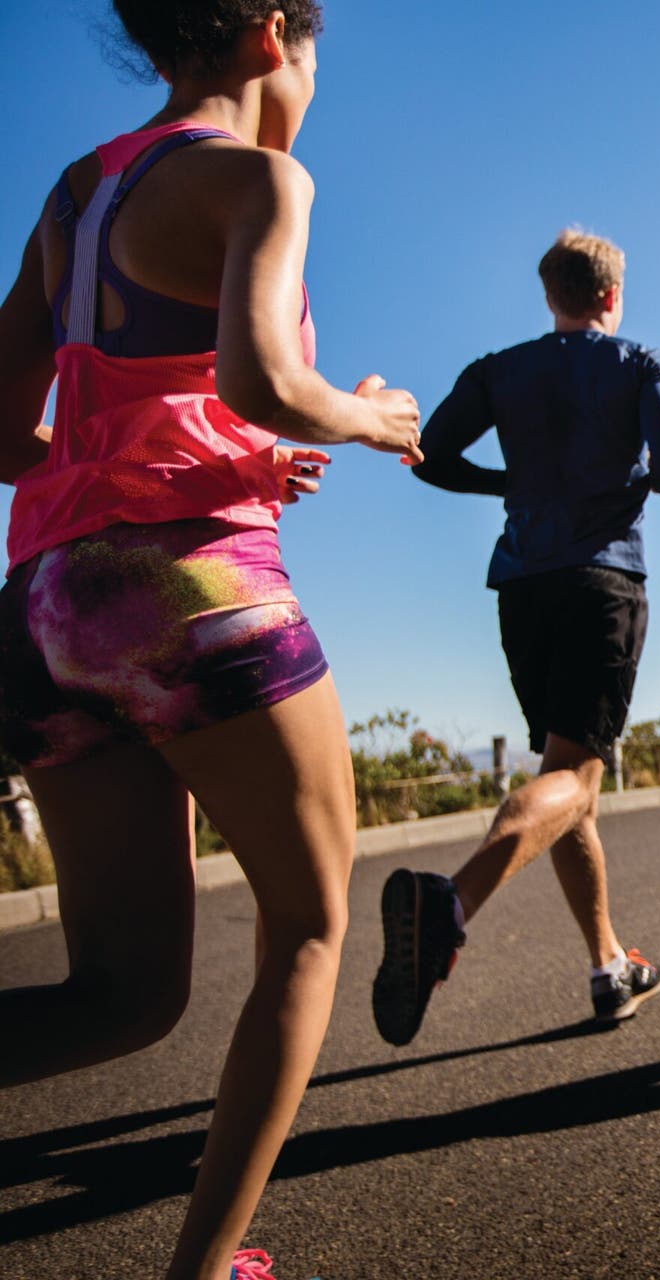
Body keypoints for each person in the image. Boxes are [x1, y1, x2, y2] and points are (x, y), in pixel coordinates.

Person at [0, 2, 425, 1276]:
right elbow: (260, 379)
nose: (311, 85)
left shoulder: (77, 193)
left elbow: (12, 434)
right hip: (193, 590)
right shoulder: (260, 180)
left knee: (121, 994)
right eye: (313, 56)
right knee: (308, 926)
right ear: (271, 33)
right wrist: (368, 415)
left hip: (44, 605)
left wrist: (219, 457)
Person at [380, 229, 660, 1045]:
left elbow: (430, 456)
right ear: (612, 295)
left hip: (523, 588)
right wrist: (627, 477)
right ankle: (448, 903)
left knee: (565, 779)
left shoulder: (497, 370)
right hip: (602, 581)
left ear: (551, 296)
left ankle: (608, 966)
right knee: (576, 781)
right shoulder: (641, 362)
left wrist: (511, 481)